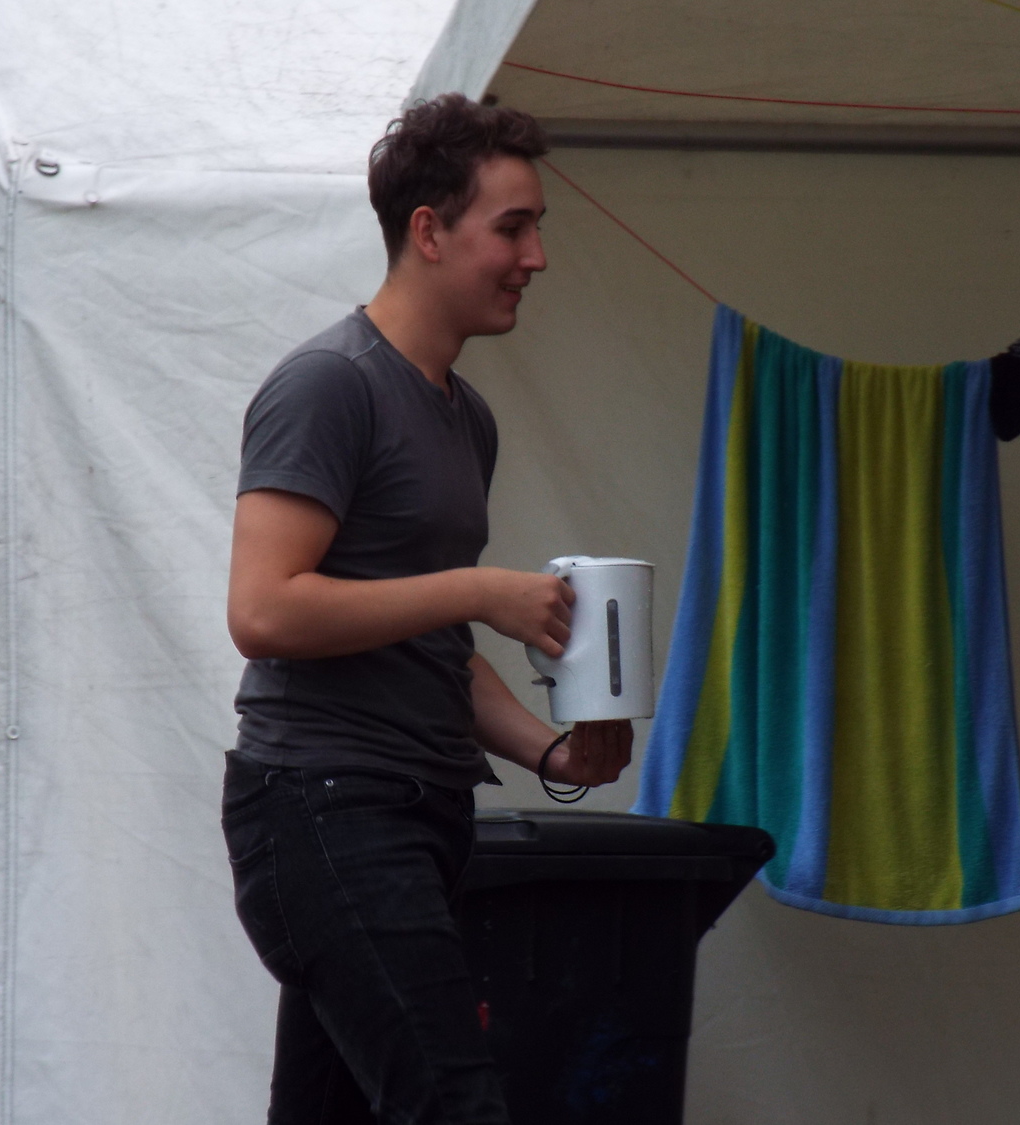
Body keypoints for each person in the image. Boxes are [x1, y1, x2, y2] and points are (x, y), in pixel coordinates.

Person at [220, 93, 633, 1125]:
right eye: (513, 227)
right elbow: (263, 611)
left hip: (422, 812)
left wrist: (555, 753)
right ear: (429, 231)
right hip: (325, 809)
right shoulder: (329, 385)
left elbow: (431, 649)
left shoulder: (466, 418)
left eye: (537, 228)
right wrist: (483, 591)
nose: (537, 256)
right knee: (455, 1102)